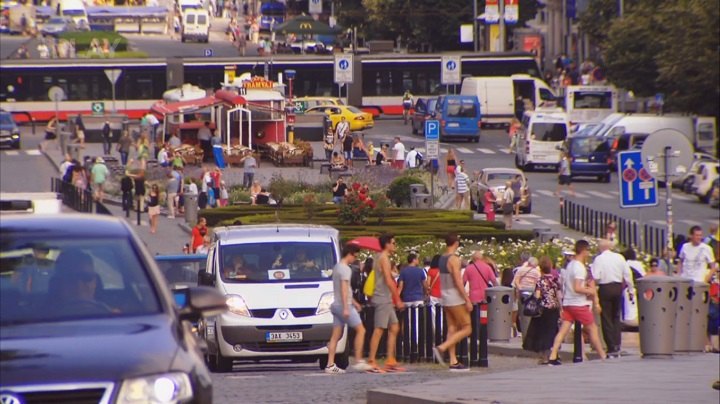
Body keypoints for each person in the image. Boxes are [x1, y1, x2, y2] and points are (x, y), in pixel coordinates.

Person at [547, 240, 607, 365]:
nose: (588, 254)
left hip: (568, 303)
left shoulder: (570, 265)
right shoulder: (579, 268)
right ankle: (602, 355)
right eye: (588, 251)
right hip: (578, 304)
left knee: (563, 331)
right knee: (593, 329)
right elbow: (577, 287)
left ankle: (553, 355)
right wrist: (589, 290)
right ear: (584, 251)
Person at [325, 244, 375, 374]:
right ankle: (358, 360)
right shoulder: (346, 269)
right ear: (350, 254)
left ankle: (330, 364)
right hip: (343, 305)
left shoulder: (336, 267)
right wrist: (347, 307)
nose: (355, 259)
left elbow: (345, 289)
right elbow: (344, 288)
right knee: (361, 330)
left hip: (336, 304)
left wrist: (355, 303)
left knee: (335, 336)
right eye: (355, 256)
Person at [432, 233, 472, 371]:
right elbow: (458, 280)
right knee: (467, 327)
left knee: (452, 327)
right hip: (455, 296)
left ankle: (453, 360)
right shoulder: (454, 259)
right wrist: (467, 299)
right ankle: (442, 347)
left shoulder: (442, 258)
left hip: (445, 295)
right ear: (456, 243)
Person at [367, 233, 406, 373]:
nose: (394, 245)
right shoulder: (383, 258)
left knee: (394, 326)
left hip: (386, 298)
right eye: (393, 243)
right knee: (379, 329)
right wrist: (398, 299)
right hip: (383, 297)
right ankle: (371, 361)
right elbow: (389, 280)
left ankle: (390, 360)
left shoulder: (380, 257)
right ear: (387, 244)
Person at [592, 238, 634, 356]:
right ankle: (617, 343)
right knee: (616, 316)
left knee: (606, 317)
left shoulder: (599, 259)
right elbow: (627, 274)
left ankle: (610, 346)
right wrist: (630, 289)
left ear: (600, 248)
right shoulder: (619, 257)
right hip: (617, 287)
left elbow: (596, 276)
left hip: (605, 288)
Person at [522, 256, 562, 364]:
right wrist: (561, 307)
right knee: (553, 331)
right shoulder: (555, 280)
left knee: (543, 332)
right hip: (554, 308)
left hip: (543, 309)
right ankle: (555, 354)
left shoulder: (540, 281)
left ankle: (544, 356)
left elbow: (538, 295)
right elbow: (559, 295)